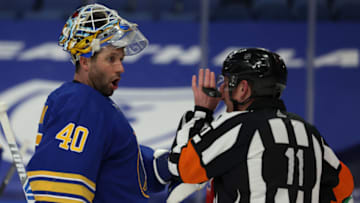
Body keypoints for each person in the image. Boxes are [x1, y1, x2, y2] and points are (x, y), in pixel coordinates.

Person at [26, 4, 173, 202]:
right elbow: (59, 192)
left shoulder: (96, 105)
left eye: (121, 59)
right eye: (111, 59)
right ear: (85, 62)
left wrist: (167, 164)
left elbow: (120, 168)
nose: (120, 68)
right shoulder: (81, 102)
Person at [168, 48, 355, 202]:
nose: (221, 92)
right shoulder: (309, 133)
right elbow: (344, 189)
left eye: (225, 84)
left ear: (243, 89)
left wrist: (201, 112)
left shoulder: (238, 126)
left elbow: (181, 167)